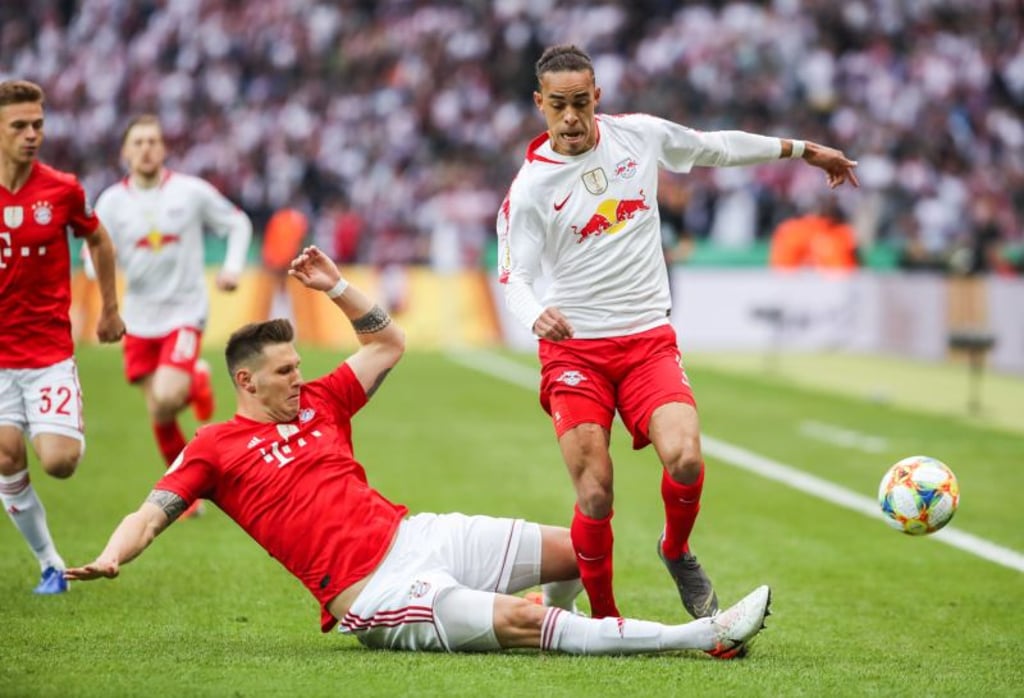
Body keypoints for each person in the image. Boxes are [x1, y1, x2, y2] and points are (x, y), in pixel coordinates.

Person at [66, 245, 772, 657]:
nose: (300, 377)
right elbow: (151, 512)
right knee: (529, 622)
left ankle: (578, 628)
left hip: (416, 534)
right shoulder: (215, 446)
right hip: (374, 592)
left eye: (299, 365)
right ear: (245, 382)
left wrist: (337, 287)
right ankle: (700, 634)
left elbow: (387, 342)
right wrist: (110, 555)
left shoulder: (322, 401)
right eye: (285, 371)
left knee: (576, 548)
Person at [496, 45, 858, 630]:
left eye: (580, 103)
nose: (570, 118)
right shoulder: (531, 189)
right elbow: (515, 273)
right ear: (540, 104)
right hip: (576, 351)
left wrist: (803, 150)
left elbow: (715, 146)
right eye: (558, 105)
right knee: (595, 494)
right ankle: (606, 620)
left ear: (598, 97)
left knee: (686, 458)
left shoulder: (638, 137)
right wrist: (534, 311)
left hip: (646, 341)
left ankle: (675, 549)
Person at [91, 114, 253, 517]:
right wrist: (99, 276)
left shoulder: (190, 192)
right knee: (159, 412)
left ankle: (195, 378)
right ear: (125, 152)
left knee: (166, 396)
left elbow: (238, 223)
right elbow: (94, 253)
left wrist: (232, 266)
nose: (146, 148)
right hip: (138, 318)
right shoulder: (111, 202)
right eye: (138, 142)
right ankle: (189, 497)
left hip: (184, 311)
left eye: (153, 141)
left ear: (163, 149)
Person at [0, 79, 126, 594]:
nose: (32, 135)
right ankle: (51, 563)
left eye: (38, 125)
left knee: (59, 463)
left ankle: (63, 418)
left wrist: (110, 310)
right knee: (6, 456)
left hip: (48, 354)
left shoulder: (61, 189)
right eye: (19, 126)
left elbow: (98, 239)